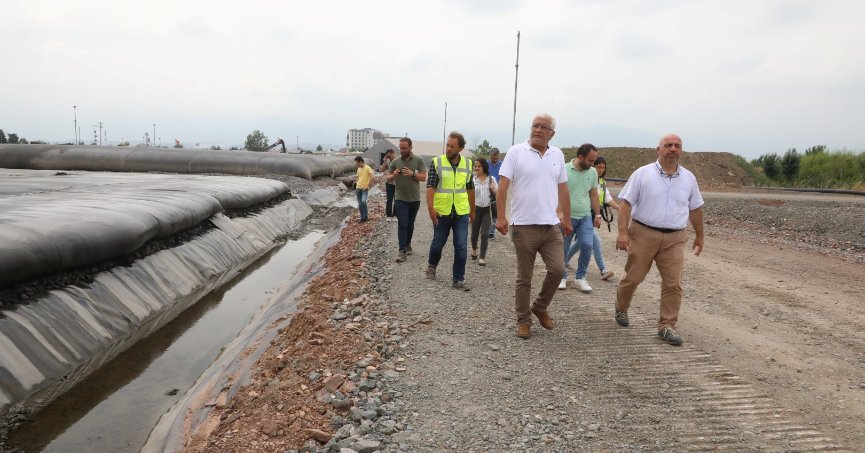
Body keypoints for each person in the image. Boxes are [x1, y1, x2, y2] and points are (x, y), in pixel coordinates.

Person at [614, 133, 705, 346]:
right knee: (633, 278)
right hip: (644, 233)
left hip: (674, 237)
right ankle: (621, 307)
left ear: (681, 151)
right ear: (658, 150)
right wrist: (622, 232)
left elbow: (696, 208)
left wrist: (700, 236)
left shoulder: (689, 178)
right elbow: (626, 204)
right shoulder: (642, 174)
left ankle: (666, 326)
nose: (673, 149)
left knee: (673, 283)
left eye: (677, 146)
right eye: (668, 145)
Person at [496, 114, 572, 339]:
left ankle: (539, 307)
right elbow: (502, 186)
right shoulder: (516, 152)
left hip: (550, 226)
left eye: (543, 127)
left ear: (552, 133)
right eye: (535, 126)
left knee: (558, 270)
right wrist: (501, 216)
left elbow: (563, 189)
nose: (538, 130)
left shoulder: (557, 154)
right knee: (524, 277)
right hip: (523, 225)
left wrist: (566, 218)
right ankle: (523, 320)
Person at [425, 131, 475, 290]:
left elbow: (470, 189)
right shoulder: (437, 162)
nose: (448, 149)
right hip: (442, 212)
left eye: (452, 146)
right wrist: (431, 209)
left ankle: (458, 278)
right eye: (447, 145)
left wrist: (472, 211)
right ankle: (432, 265)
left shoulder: (467, 164)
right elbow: (430, 187)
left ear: (460, 148)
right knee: (438, 243)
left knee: (461, 245)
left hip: (461, 212)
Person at [566, 156, 619, 280]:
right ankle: (603, 269)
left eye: (603, 167)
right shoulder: (585, 177)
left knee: (582, 242)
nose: (601, 169)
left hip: (591, 217)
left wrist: (618, 207)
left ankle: (565, 259)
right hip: (581, 215)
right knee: (594, 240)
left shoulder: (602, 183)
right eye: (598, 167)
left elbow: (607, 198)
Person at [559, 144, 601, 293]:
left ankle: (580, 277)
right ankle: (561, 276)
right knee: (563, 248)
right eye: (590, 160)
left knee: (587, 245)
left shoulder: (593, 172)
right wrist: (560, 214)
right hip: (566, 217)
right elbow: (556, 192)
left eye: (594, 161)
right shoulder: (563, 169)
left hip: (585, 216)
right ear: (580, 157)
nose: (592, 164)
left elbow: (594, 194)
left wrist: (597, 214)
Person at [387, 137, 427, 263]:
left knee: (410, 224)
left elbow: (424, 177)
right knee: (402, 224)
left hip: (414, 199)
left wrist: (412, 174)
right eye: (401, 148)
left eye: (405, 148)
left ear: (410, 147)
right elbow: (388, 178)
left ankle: (408, 243)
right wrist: (393, 175)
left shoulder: (418, 160)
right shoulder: (395, 161)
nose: (402, 150)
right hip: (400, 198)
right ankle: (401, 250)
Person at [470, 157, 497, 266]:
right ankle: (474, 249)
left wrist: (493, 189)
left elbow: (498, 195)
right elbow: (468, 196)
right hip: (475, 210)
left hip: (486, 210)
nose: (476, 168)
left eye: (479, 166)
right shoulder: (472, 180)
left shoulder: (491, 179)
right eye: (475, 166)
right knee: (474, 234)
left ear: (484, 167)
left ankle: (482, 257)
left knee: (485, 234)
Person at [487, 148, 503, 239]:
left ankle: (491, 232)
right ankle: (484, 228)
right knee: (485, 211)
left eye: (496, 158)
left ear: (498, 157)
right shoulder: (485, 164)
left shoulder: (502, 165)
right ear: (490, 156)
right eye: (493, 158)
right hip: (486, 190)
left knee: (495, 211)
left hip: (497, 191)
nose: (494, 160)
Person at [354, 156, 374, 222]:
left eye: (357, 163)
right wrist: (356, 182)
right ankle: (363, 217)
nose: (357, 165)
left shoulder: (368, 168)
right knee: (360, 204)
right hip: (358, 188)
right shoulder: (358, 169)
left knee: (363, 201)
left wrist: (368, 185)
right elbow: (358, 177)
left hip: (364, 188)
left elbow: (371, 177)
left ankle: (366, 216)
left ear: (360, 161)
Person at [380, 148, 397, 221]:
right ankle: (389, 215)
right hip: (389, 183)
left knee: (397, 200)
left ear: (393, 153)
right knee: (389, 200)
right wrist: (384, 161)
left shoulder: (398, 160)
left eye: (389, 156)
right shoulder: (387, 161)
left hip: (397, 183)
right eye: (387, 156)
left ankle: (395, 215)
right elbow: (382, 170)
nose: (388, 157)